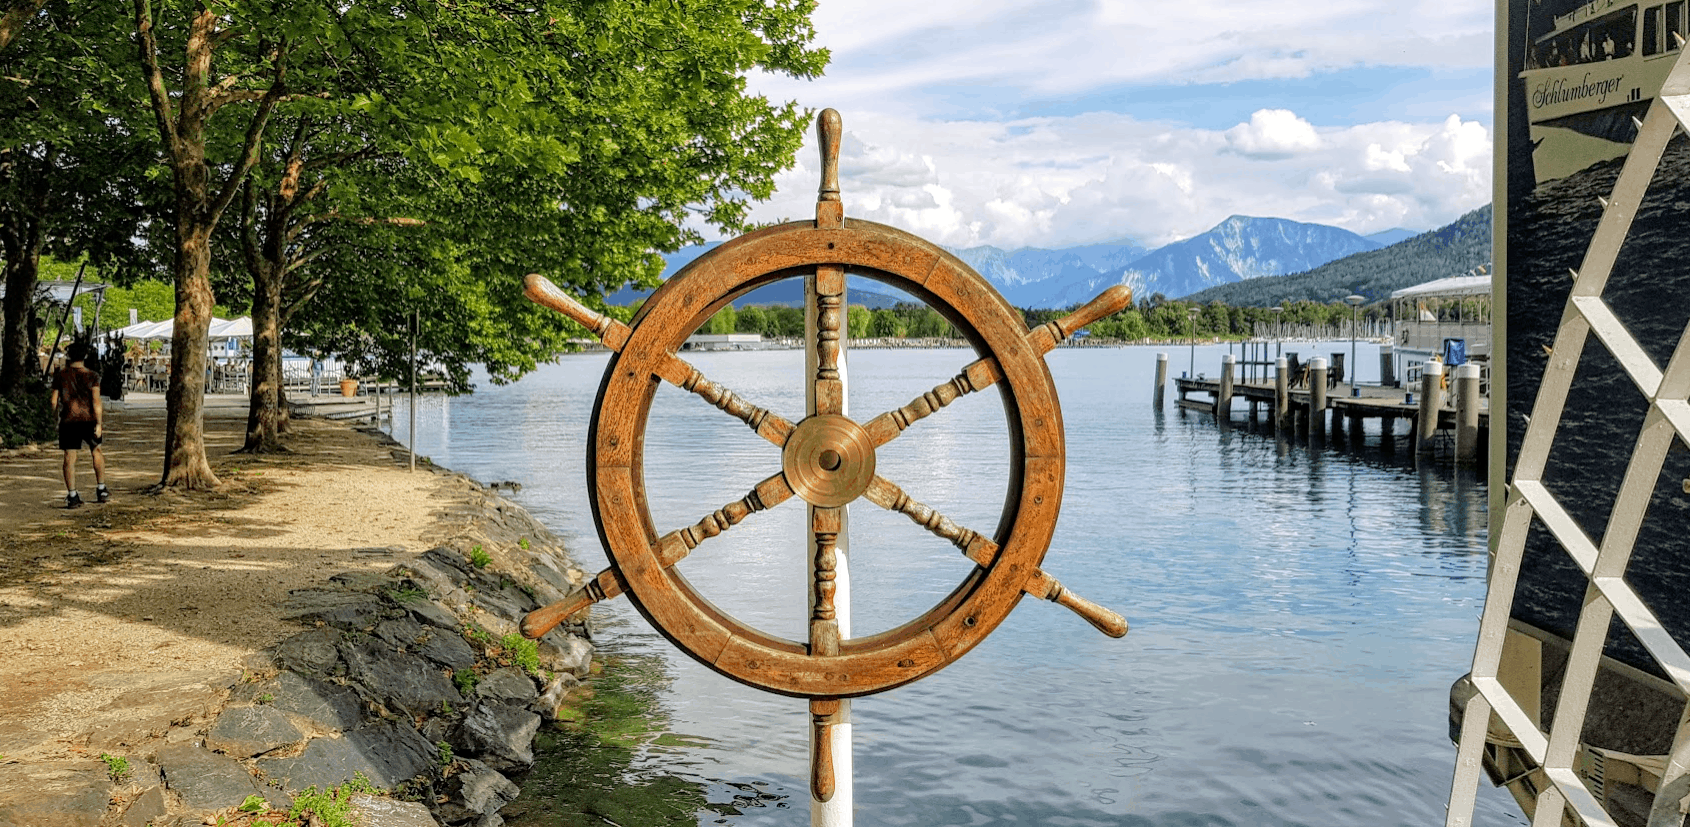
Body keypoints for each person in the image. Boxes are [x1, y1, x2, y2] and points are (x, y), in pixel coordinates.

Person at [49, 341, 108, 508]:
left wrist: (54, 419)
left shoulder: (61, 375)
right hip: (89, 419)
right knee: (96, 451)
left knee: (69, 457)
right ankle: (101, 488)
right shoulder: (92, 376)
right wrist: (99, 423)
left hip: (68, 420)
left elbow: (53, 401)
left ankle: (72, 494)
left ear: (69, 356)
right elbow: (96, 401)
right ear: (85, 356)